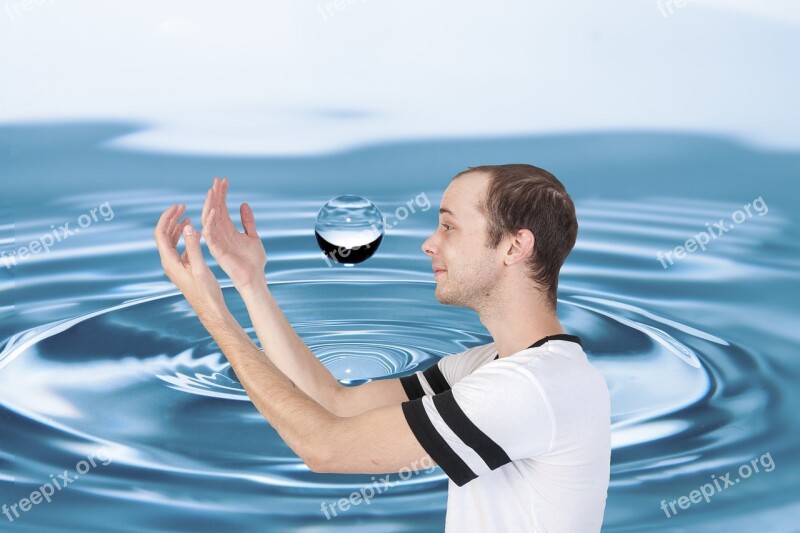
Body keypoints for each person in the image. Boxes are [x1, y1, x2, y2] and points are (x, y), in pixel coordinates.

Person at [153, 164, 611, 532]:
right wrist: (249, 282)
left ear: (514, 246)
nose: (429, 244)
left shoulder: (533, 386)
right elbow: (335, 403)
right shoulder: (489, 366)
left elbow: (324, 448)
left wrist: (210, 309)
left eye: (449, 227)